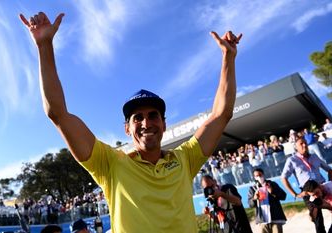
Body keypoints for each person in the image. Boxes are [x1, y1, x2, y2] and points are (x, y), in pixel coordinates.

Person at [20, 10, 241, 233]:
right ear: (127, 129)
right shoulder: (109, 165)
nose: (146, 123)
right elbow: (57, 113)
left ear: (164, 124)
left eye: (153, 115)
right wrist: (44, 46)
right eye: (138, 118)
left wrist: (228, 58)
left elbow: (221, 115)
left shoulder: (184, 159)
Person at [281, 137, 332, 233]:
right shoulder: (292, 160)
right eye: (301, 144)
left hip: (322, 189)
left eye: (305, 143)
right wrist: (295, 194)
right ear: (296, 147)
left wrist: (330, 183)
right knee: (318, 220)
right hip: (308, 193)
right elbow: (283, 178)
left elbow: (329, 169)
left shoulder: (314, 156)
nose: (304, 145)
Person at [248, 168, 287, 233]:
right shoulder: (252, 188)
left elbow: (283, 196)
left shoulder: (272, 184)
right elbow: (250, 204)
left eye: (260, 175)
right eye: (256, 176)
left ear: (263, 175)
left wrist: (273, 192)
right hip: (262, 220)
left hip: (276, 217)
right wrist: (254, 198)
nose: (259, 177)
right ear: (254, 177)